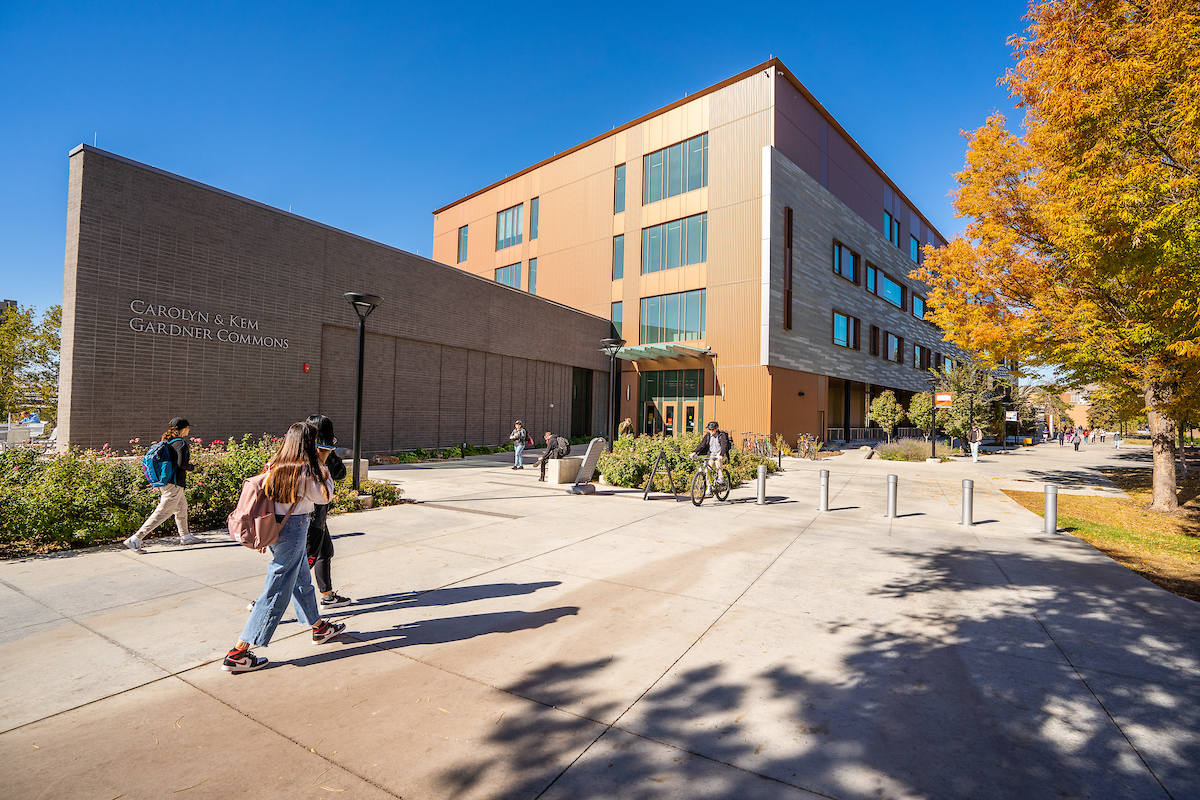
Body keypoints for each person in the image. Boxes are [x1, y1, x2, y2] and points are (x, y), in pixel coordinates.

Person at [224, 421, 346, 673]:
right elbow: (324, 496)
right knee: (277, 589)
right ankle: (239, 652)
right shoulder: (304, 470)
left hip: (276, 528)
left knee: (301, 579)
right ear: (309, 444)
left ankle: (319, 627)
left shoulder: (277, 465)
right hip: (294, 528)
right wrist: (322, 467)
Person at [125, 417, 199, 553]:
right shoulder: (180, 443)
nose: (189, 429)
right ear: (182, 429)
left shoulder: (167, 441)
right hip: (174, 484)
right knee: (164, 511)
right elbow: (181, 464)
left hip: (167, 482)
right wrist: (193, 467)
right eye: (188, 427)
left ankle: (186, 536)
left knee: (181, 508)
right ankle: (135, 538)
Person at [305, 414, 351, 609]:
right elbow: (337, 475)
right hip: (309, 517)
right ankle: (264, 602)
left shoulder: (299, 450)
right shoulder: (317, 454)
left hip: (313, 516)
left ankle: (328, 595)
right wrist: (328, 452)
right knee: (300, 565)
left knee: (325, 551)